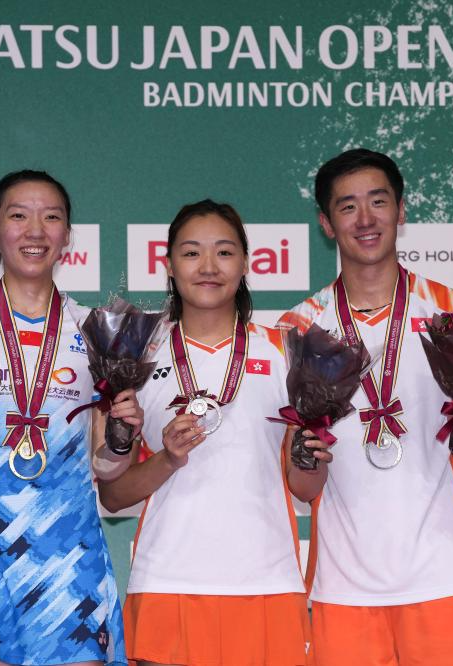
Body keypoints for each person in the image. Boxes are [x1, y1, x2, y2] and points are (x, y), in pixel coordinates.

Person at [278, 148, 453, 666]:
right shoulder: (299, 329)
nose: (365, 219)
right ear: (326, 223)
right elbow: (301, 484)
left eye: (378, 202)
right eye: (347, 206)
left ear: (401, 210)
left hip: (442, 575)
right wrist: (306, 457)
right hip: (342, 585)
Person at [0, 169, 136, 665]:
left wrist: (122, 438)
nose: (35, 231)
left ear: (67, 235)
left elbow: (106, 467)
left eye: (51, 217)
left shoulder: (94, 330)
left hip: (67, 546)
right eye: (18, 216)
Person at [99, 200, 311, 666]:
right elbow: (113, 496)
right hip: (167, 583)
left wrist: (311, 455)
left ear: (247, 262)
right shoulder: (135, 356)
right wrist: (167, 459)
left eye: (224, 252)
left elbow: (306, 486)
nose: (209, 267)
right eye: (192, 253)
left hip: (267, 583)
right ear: (169, 264)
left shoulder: (286, 353)